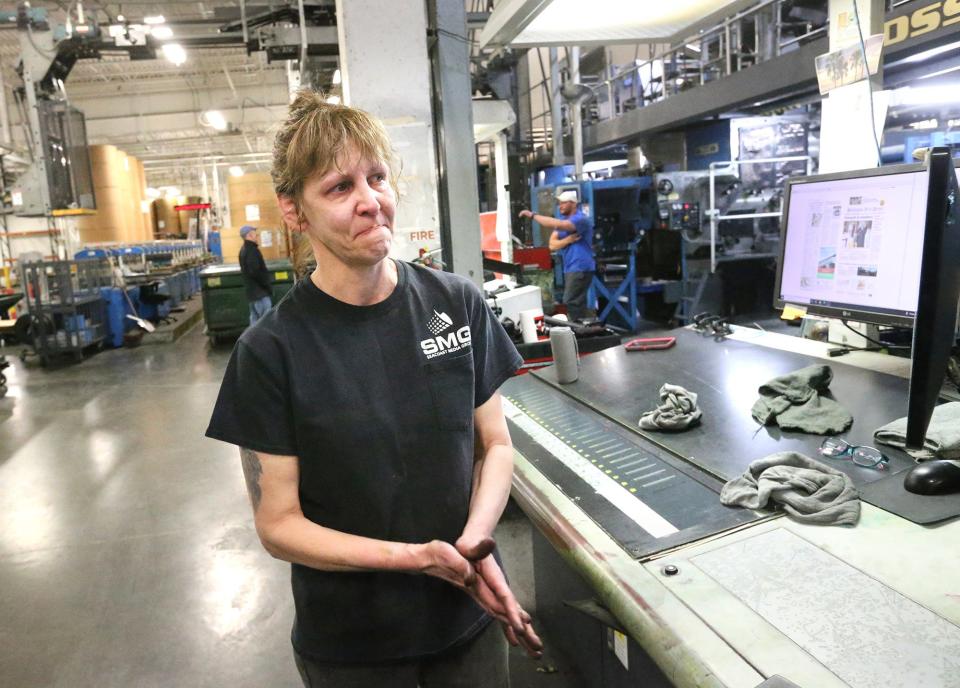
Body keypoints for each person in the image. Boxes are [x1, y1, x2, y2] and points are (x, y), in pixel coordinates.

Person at [206, 91, 542, 688]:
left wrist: (473, 543)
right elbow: (278, 524)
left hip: (468, 617)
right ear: (294, 211)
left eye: (377, 177)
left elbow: (495, 446)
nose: (370, 202)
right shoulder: (270, 352)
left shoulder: (454, 302)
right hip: (353, 649)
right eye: (339, 188)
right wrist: (413, 559)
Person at [519, 190, 595, 321]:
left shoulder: (580, 219)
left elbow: (559, 225)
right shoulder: (564, 222)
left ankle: (578, 333)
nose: (560, 206)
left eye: (563, 203)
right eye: (559, 203)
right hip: (571, 267)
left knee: (571, 301)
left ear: (573, 203)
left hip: (580, 267)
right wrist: (568, 240)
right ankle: (581, 330)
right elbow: (552, 245)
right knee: (575, 302)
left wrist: (533, 216)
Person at [238, 225, 273, 325]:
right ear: (249, 235)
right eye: (254, 233)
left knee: (255, 323)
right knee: (265, 323)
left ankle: (252, 341)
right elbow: (255, 271)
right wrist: (266, 284)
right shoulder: (252, 250)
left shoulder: (243, 250)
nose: (257, 235)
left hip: (252, 294)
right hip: (260, 294)